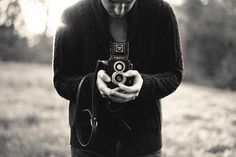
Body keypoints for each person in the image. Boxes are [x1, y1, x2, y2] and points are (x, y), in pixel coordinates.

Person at [53, 0, 183, 156]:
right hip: (89, 140)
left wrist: (144, 84)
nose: (119, 10)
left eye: (128, 2)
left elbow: (174, 72)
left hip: (143, 141)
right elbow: (61, 78)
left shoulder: (161, 12)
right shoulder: (72, 16)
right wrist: (92, 84)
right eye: (111, 2)